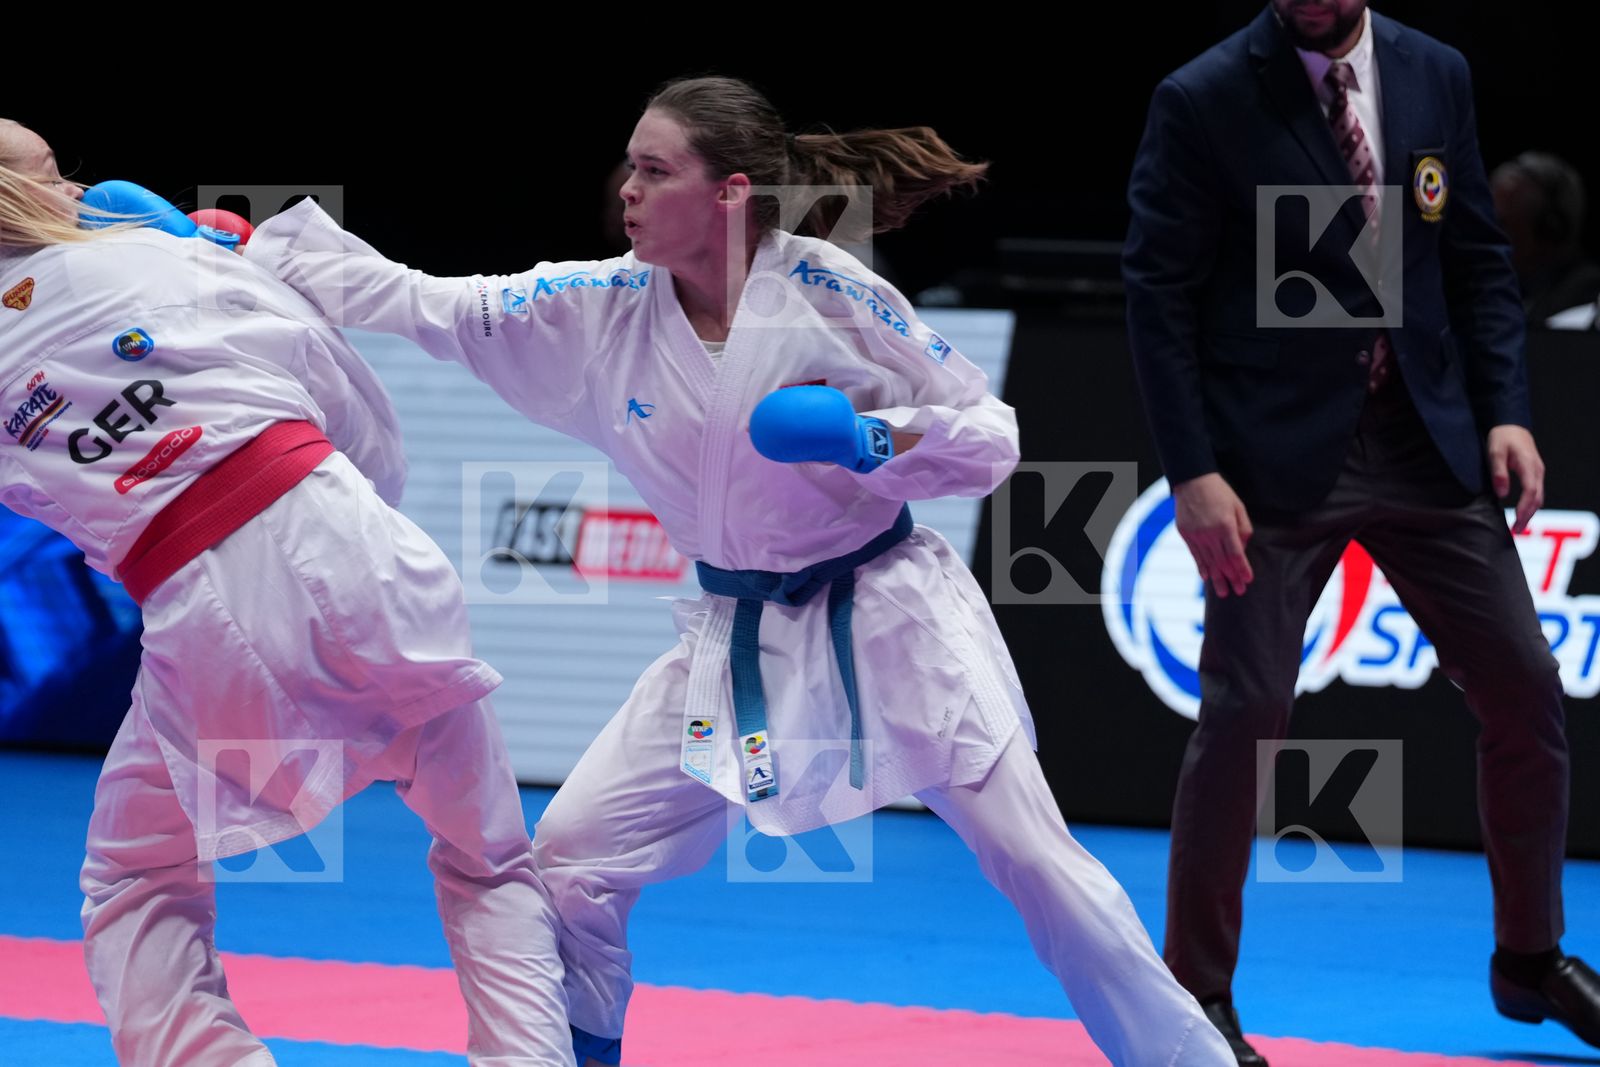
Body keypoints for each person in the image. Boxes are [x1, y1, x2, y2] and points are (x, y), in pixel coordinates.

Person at [245, 75, 1235, 1067]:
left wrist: (869, 436)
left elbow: (986, 435)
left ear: (727, 194)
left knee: (1034, 858)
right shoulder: (594, 307)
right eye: (628, 166)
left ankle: (1192, 1058)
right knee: (573, 856)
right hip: (734, 640)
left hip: (892, 617)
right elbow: (420, 300)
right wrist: (247, 252)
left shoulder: (832, 294)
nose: (625, 189)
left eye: (653, 169)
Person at [0, 119, 574, 1067]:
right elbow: (349, 402)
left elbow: (41, 500)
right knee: (489, 853)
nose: (81, 189)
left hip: (202, 607)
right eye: (56, 176)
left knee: (136, 879)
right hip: (357, 550)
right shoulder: (154, 252)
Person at [1122, 3, 1599, 1063]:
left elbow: (1473, 256)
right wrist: (1192, 472)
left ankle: (1529, 958)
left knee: (1525, 690)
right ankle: (1192, 998)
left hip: (1426, 441)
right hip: (1274, 460)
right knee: (1243, 717)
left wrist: (1507, 409)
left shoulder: (1435, 72)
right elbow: (1156, 292)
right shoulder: (1202, 95)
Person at [1490, 151, 1600, 325]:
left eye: (1502, 225)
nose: (1490, 236)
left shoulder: (1585, 292)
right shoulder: (1494, 286)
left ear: (1550, 231)